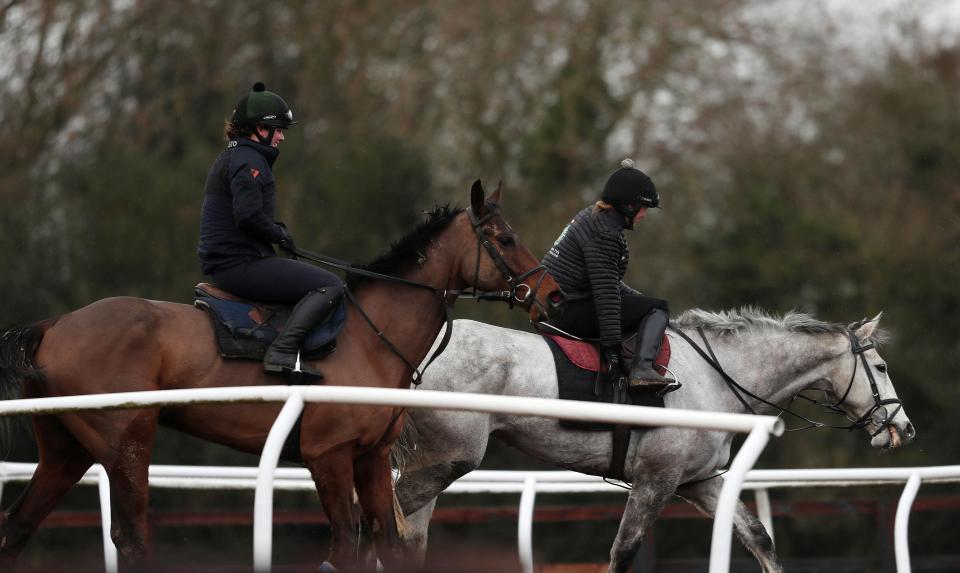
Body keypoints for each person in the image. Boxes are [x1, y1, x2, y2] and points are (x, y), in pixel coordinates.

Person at [197, 82, 342, 379]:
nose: (281, 137)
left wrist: (276, 233)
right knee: (329, 285)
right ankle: (282, 351)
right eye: (276, 129)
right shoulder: (249, 160)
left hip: (237, 260)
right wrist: (278, 234)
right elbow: (248, 215)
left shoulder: (234, 157)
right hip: (239, 265)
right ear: (257, 129)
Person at [541, 158, 674, 394]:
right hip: (569, 310)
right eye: (643, 208)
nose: (644, 215)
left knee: (647, 305)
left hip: (557, 304)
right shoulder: (606, 233)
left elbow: (607, 281)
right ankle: (642, 370)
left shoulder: (593, 217)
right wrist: (612, 350)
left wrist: (639, 300)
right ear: (629, 206)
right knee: (659, 307)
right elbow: (606, 296)